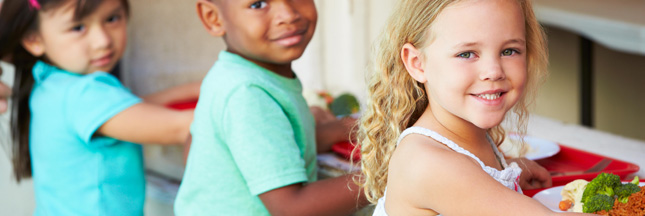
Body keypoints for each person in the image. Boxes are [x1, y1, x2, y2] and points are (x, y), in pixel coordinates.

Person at [357, 0, 594, 215]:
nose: (494, 71)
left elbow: (473, 189)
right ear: (417, 63)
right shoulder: (429, 164)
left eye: (509, 51)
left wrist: (510, 176)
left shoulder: (461, 138)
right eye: (467, 54)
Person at [0, 0, 200, 215]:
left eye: (112, 19)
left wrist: (200, 88)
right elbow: (182, 128)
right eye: (78, 28)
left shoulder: (50, 82)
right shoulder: (86, 95)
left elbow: (133, 107)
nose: (102, 40)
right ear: (34, 39)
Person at [174, 0, 368, 215]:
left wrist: (339, 130)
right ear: (213, 18)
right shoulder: (247, 92)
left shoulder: (233, 73)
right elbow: (292, 208)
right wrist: (387, 175)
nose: (288, 14)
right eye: (258, 4)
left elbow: (276, 141)